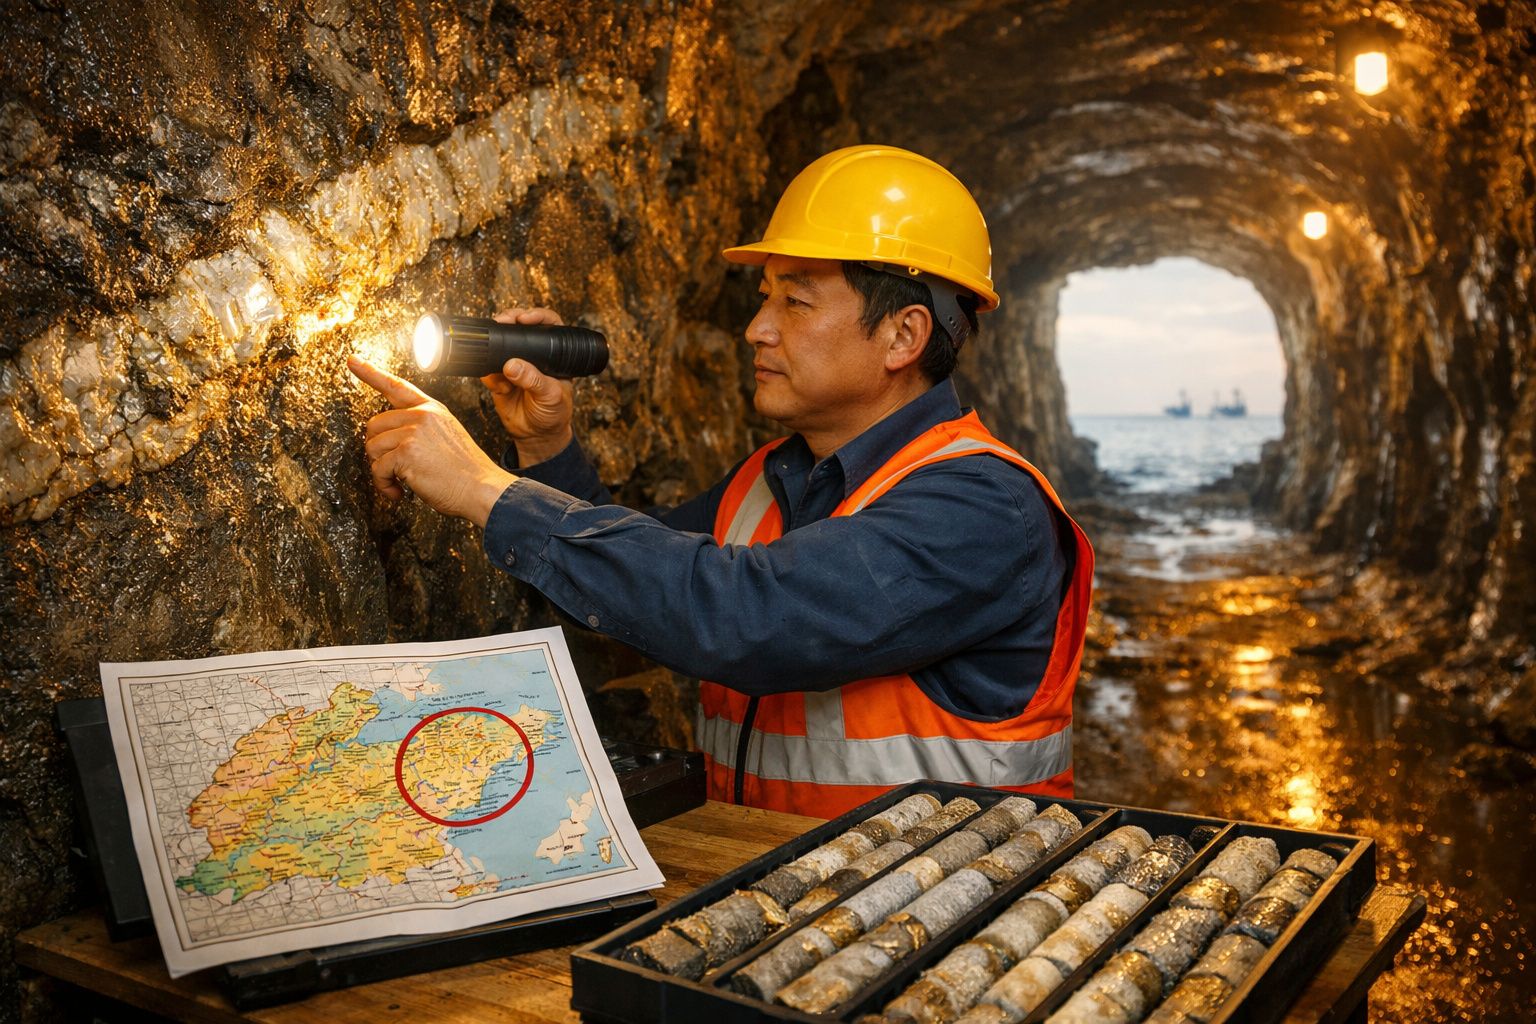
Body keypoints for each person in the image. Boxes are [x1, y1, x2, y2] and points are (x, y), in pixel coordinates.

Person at [349, 144, 1094, 819]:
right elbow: (637, 600)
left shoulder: (986, 509)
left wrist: (487, 490)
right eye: (764, 296)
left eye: (795, 301)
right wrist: (547, 448)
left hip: (944, 919)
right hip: (780, 906)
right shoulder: (770, 483)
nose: (757, 329)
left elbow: (746, 616)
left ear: (904, 335)